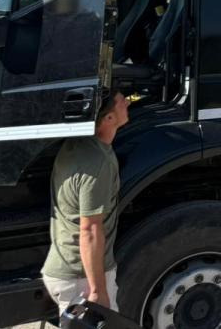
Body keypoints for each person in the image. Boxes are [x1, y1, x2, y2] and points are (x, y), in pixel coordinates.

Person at [41, 91, 130, 317]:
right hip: (81, 279)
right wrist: (98, 290)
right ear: (109, 118)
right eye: (122, 102)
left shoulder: (76, 145)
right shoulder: (98, 163)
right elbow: (89, 230)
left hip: (66, 270)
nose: (128, 102)